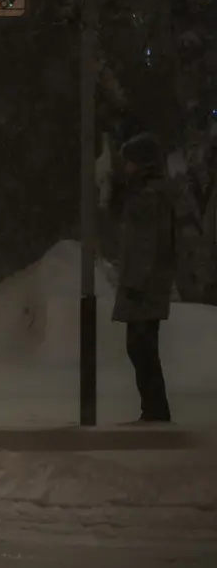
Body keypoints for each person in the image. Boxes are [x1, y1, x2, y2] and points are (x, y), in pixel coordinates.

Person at [112, 133, 178, 424]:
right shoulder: (147, 194)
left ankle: (155, 411)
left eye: (128, 162)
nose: (124, 167)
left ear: (142, 164)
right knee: (142, 348)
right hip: (147, 283)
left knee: (141, 348)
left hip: (144, 286)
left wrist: (135, 284)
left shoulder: (148, 197)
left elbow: (145, 244)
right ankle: (153, 409)